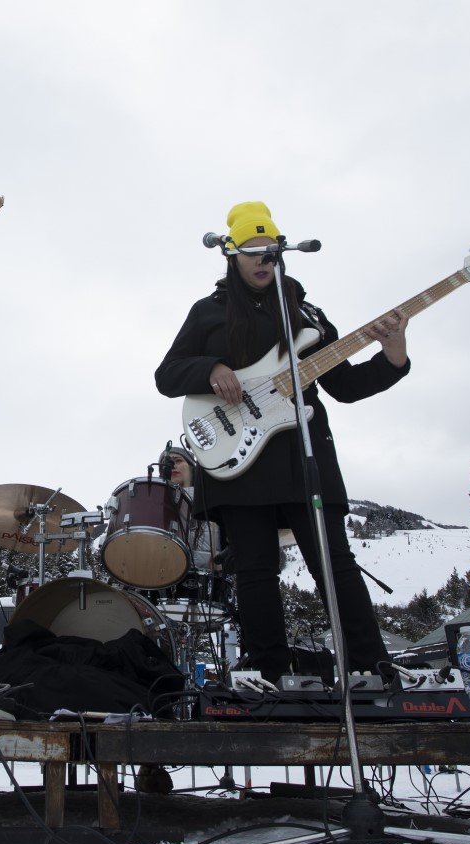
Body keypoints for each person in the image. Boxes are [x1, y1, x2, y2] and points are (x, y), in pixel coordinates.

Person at [154, 201, 409, 685]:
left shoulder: (306, 313)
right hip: (239, 461)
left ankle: (371, 665)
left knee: (334, 563)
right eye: (251, 251)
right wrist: (210, 368)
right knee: (254, 570)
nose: (262, 260)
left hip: (303, 458)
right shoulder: (208, 312)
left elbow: (346, 387)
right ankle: (268, 670)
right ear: (231, 254)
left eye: (270, 250)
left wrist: (393, 356)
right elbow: (167, 375)